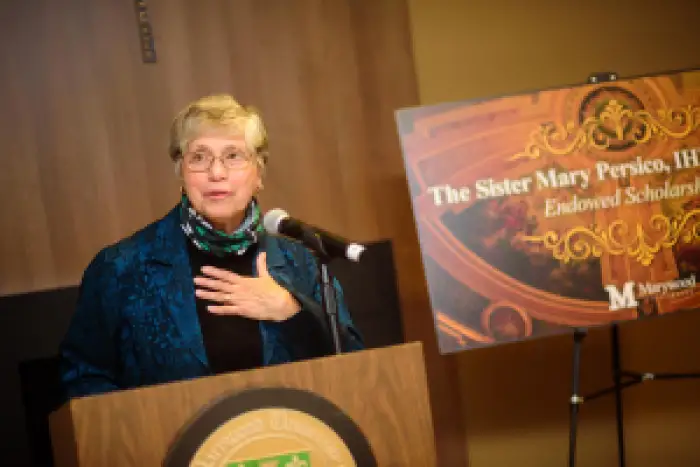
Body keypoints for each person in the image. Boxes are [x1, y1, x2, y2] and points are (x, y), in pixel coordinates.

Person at [58, 94, 364, 399]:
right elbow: (83, 378)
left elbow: (355, 364)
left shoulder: (301, 263)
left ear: (259, 173)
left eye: (233, 156)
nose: (216, 173)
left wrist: (292, 312)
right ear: (180, 171)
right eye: (199, 157)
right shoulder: (121, 268)